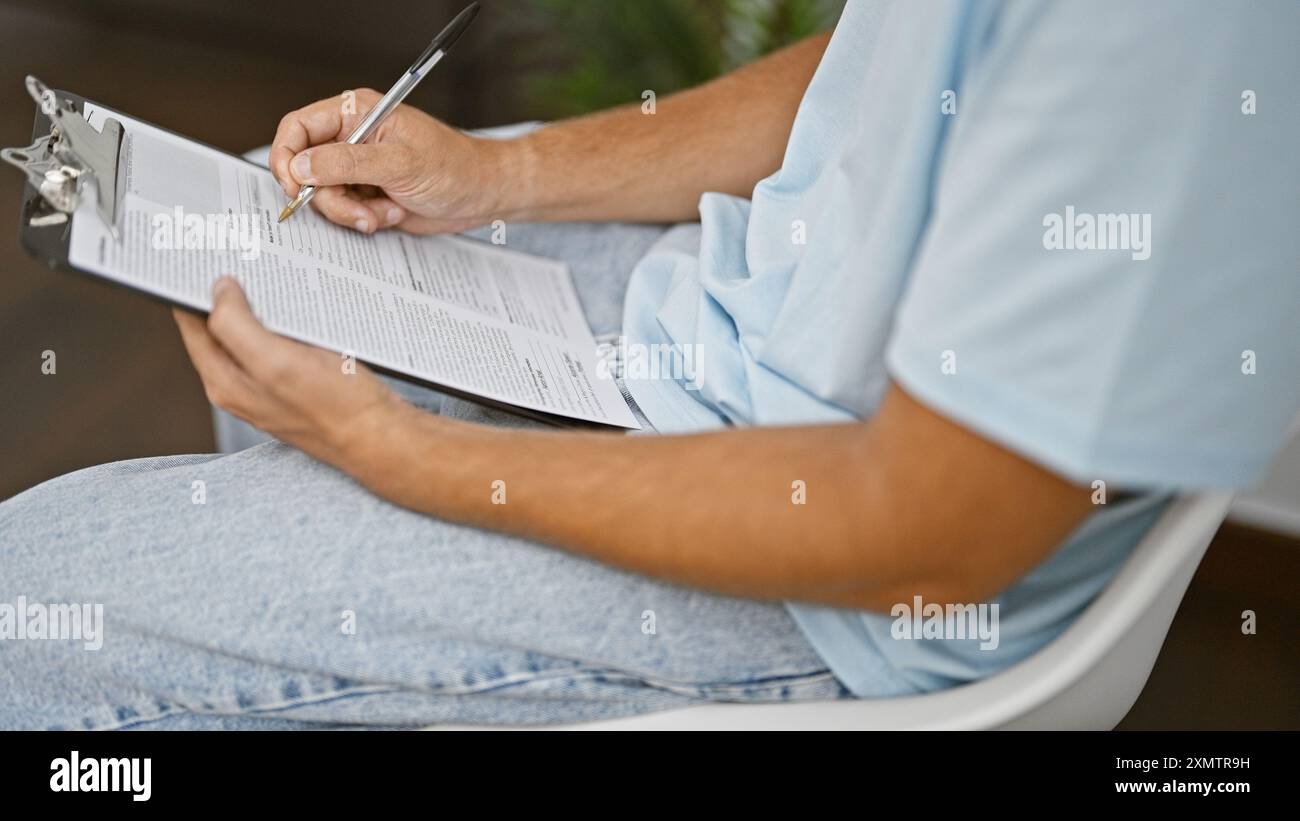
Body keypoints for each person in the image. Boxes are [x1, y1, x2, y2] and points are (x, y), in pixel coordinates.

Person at [1, 0, 1296, 729]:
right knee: (283, 244)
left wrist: (402, 456)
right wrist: (497, 177)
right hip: (749, 327)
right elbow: (876, 75)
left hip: (846, 580)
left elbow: (930, 530)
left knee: (29, 604)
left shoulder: (1174, 39)